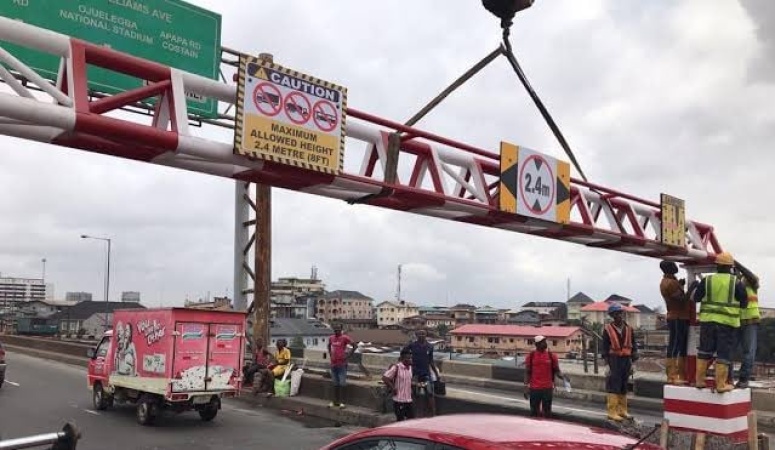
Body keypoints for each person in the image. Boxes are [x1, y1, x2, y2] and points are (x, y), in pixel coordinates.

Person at [692, 252, 747, 392]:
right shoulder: (736, 283)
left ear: (717, 266)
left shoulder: (707, 280)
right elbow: (744, 304)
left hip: (707, 322)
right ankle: (721, 385)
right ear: (731, 267)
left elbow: (696, 298)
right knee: (723, 353)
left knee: (704, 350)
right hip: (727, 324)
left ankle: (699, 381)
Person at [602, 302, 638, 422]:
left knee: (623, 385)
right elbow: (605, 348)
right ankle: (612, 412)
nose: (619, 315)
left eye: (620, 313)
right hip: (614, 360)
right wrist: (607, 365)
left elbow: (634, 346)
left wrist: (633, 363)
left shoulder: (629, 329)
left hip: (626, 360)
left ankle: (623, 411)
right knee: (613, 385)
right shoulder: (607, 330)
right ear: (612, 315)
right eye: (616, 313)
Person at [659, 260, 692, 384]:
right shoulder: (670, 283)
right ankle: (672, 375)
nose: (676, 266)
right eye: (673, 265)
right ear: (669, 269)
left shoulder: (671, 282)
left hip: (680, 317)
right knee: (675, 345)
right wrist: (691, 288)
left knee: (681, 346)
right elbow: (682, 300)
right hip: (677, 317)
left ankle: (681, 374)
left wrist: (681, 286)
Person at [524, 335, 567, 418]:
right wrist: (525, 387)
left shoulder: (552, 356)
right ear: (537, 344)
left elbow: (557, 371)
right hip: (534, 389)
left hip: (547, 389)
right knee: (534, 412)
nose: (545, 343)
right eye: (542, 342)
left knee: (547, 412)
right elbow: (527, 372)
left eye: (545, 341)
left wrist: (563, 377)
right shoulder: (531, 356)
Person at [403, 329, 441, 417]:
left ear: (426, 335)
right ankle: (414, 414)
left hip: (426, 374)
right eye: (419, 334)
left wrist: (436, 374)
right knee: (415, 395)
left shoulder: (430, 347)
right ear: (416, 335)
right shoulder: (412, 345)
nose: (421, 335)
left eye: (423, 334)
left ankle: (433, 414)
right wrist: (408, 363)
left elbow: (431, 361)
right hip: (415, 374)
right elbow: (404, 352)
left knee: (430, 394)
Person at [736, 273, 760, 389]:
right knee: (746, 351)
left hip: (749, 321)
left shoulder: (753, 286)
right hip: (737, 320)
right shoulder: (737, 285)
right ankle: (731, 378)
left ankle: (743, 379)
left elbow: (753, 277)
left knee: (748, 352)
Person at [383, 348, 414, 422]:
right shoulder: (396, 367)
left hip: (408, 399)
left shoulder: (410, 368)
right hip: (399, 399)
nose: (410, 360)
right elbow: (385, 378)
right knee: (400, 420)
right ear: (403, 358)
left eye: (411, 358)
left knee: (411, 419)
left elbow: (409, 380)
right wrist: (393, 388)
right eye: (408, 358)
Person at [327, 323, 354, 408]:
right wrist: (330, 354)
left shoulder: (345, 338)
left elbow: (354, 345)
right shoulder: (331, 338)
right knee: (335, 383)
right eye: (335, 329)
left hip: (342, 364)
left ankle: (342, 402)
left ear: (341, 330)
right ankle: (335, 401)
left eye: (338, 329)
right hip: (333, 364)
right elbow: (328, 345)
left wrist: (347, 356)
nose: (336, 331)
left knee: (342, 383)